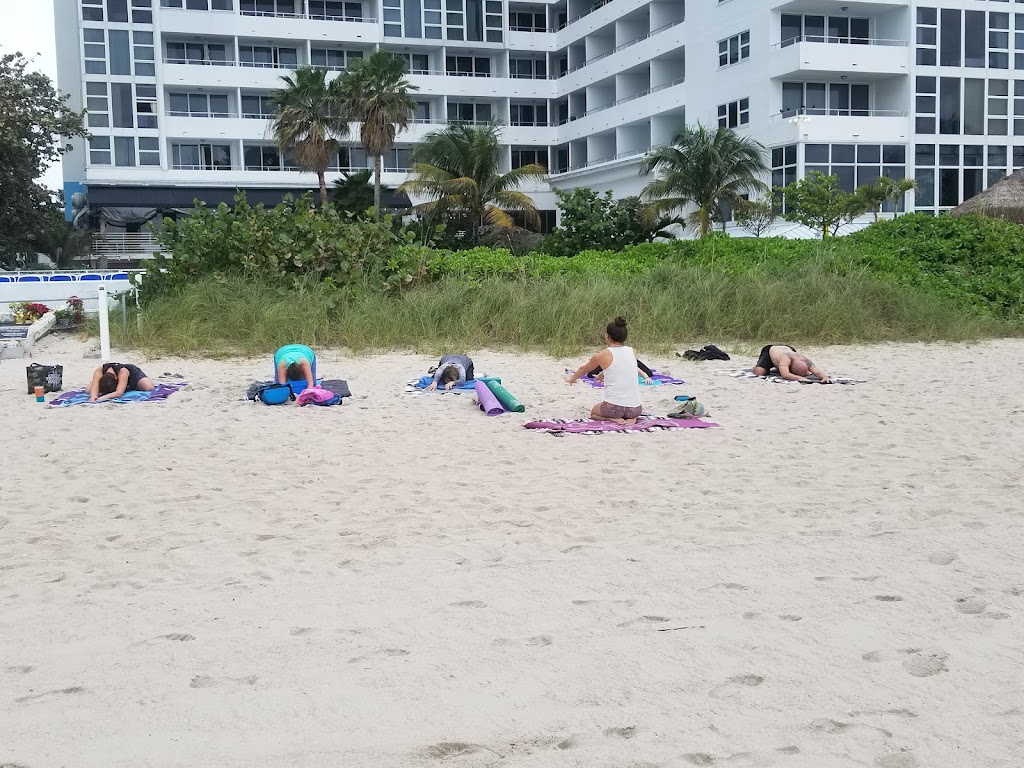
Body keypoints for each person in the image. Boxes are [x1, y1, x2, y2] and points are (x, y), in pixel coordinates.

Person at [566, 317, 646, 424]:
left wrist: (572, 379)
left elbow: (583, 369)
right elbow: (622, 367)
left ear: (607, 336)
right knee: (628, 410)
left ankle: (612, 419)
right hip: (635, 409)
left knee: (594, 413)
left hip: (613, 408)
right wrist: (603, 374)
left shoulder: (602, 355)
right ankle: (632, 418)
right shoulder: (633, 351)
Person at [752, 344, 832, 383]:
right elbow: (785, 375)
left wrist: (824, 377)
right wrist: (799, 378)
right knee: (759, 372)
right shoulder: (786, 358)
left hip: (788, 348)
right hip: (770, 351)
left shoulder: (804, 359)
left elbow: (816, 371)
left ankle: (781, 367)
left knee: (785, 368)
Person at [87, 362, 155, 403]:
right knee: (88, 390)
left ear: (116, 378)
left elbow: (119, 393)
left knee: (149, 387)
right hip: (110, 379)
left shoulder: (122, 372)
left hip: (132, 375)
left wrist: (102, 398)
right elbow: (95, 387)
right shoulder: (99, 371)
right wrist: (94, 397)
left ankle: (127, 386)